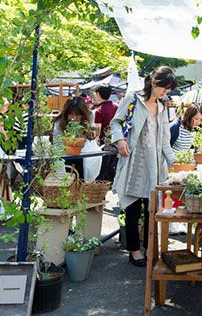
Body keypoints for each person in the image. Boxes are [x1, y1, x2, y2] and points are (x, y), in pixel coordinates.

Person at [110, 66, 177, 266]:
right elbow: (116, 122)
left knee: (151, 209)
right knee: (132, 208)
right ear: (154, 82)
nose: (166, 92)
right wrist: (120, 140)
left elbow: (165, 139)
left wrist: (174, 162)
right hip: (134, 159)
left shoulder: (163, 107)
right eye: (164, 88)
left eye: (168, 90)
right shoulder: (133, 99)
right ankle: (133, 250)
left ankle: (149, 248)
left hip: (155, 163)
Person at [53, 97, 94, 179]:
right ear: (66, 113)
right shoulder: (59, 123)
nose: (73, 118)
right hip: (65, 158)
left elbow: (89, 138)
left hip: (82, 157)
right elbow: (57, 146)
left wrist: (91, 135)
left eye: (77, 114)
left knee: (81, 182)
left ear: (83, 114)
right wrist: (61, 172)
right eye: (71, 114)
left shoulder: (88, 119)